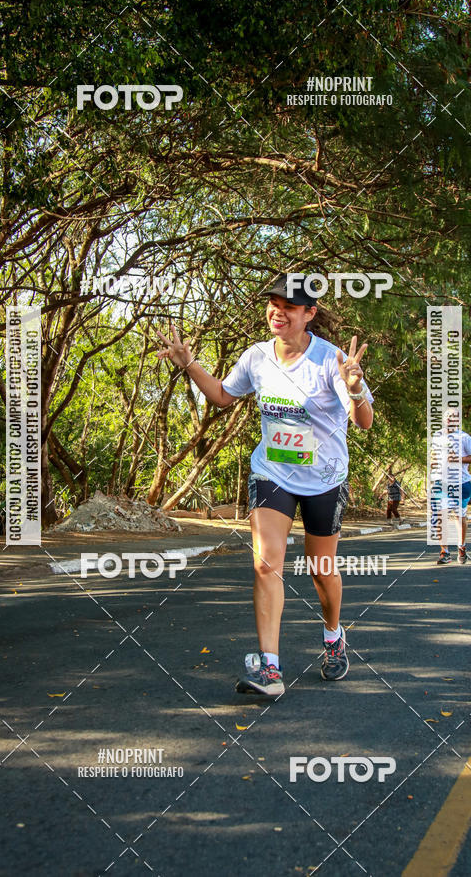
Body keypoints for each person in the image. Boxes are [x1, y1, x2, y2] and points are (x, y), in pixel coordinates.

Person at [156, 275, 373, 696]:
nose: (278, 311)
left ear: (309, 314)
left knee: (321, 569)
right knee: (265, 562)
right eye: (273, 303)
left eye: (289, 306)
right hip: (272, 473)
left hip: (325, 479)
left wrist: (355, 388)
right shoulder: (256, 357)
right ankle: (269, 669)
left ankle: (333, 636)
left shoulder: (332, 360)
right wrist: (188, 363)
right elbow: (222, 396)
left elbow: (362, 422)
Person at [430, 409, 471, 565]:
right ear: (443, 419)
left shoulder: (464, 437)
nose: (450, 419)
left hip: (460, 483)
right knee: (439, 516)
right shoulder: (437, 436)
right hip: (440, 482)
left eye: (454, 417)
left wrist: (458, 459)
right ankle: (444, 552)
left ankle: (461, 546)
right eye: (447, 416)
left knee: (459, 517)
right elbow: (434, 456)